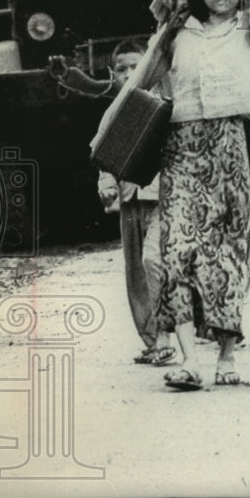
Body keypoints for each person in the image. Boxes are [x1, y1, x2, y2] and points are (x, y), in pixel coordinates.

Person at [116, 0, 250, 391]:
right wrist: (164, 22)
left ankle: (227, 359)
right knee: (178, 252)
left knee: (228, 252)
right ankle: (191, 360)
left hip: (230, 147)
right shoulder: (178, 34)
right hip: (182, 151)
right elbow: (143, 83)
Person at [96, 38, 173, 366]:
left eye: (135, 66)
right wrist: (106, 183)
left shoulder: (166, 107)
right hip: (129, 201)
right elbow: (104, 156)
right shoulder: (114, 114)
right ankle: (152, 339)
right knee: (135, 273)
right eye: (121, 69)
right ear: (111, 74)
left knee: (155, 262)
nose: (129, 74)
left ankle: (170, 332)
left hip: (162, 197)